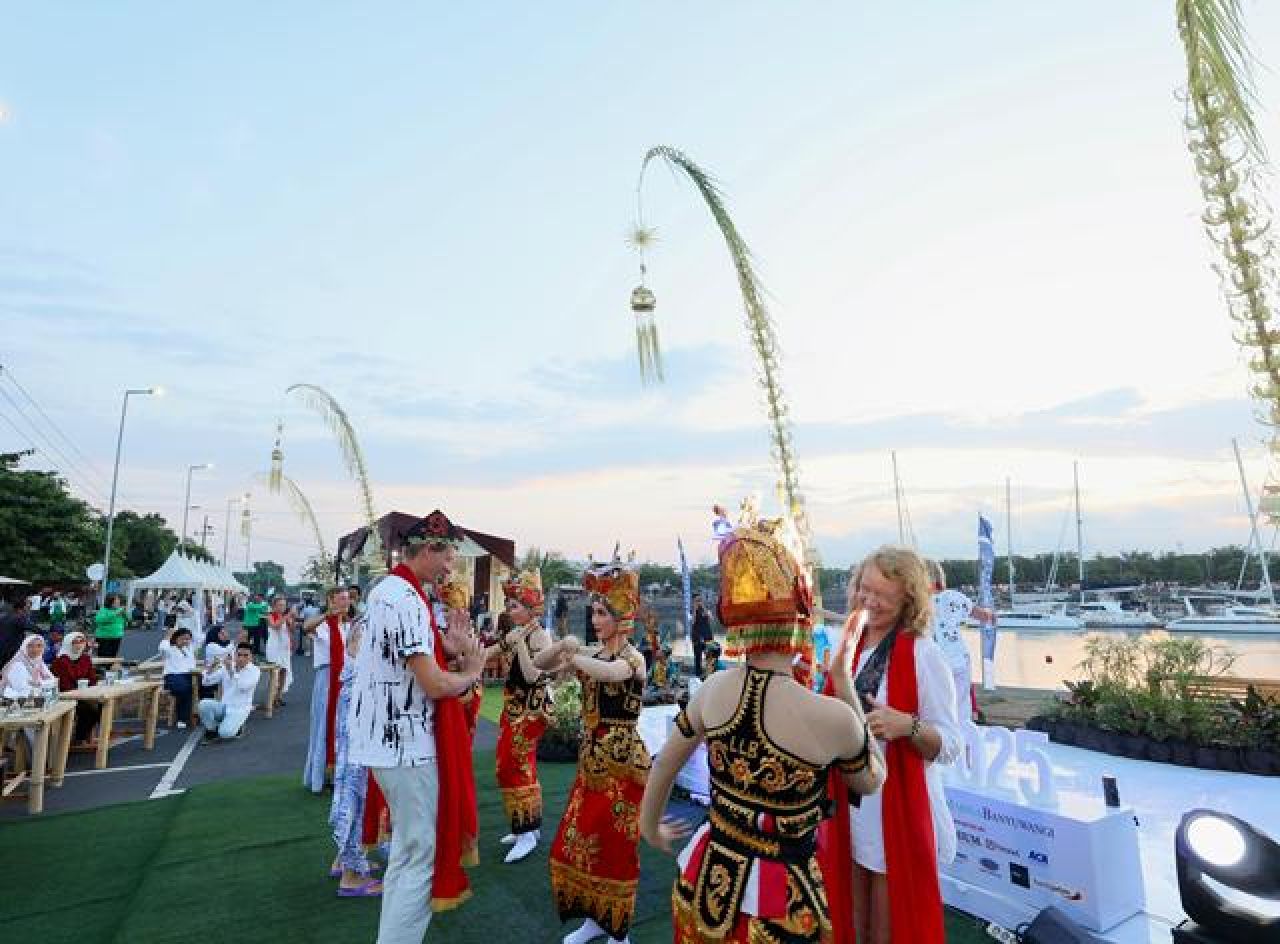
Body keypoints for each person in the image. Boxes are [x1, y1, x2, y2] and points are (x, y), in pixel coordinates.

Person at [639, 510, 885, 944]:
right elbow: (870, 781)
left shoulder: (712, 690)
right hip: (778, 903)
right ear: (800, 619)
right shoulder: (833, 718)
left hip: (705, 880)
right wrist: (843, 683)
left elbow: (663, 766)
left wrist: (650, 826)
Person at [346, 511, 485, 943]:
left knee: (408, 854)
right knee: (420, 856)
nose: (451, 567)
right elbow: (433, 682)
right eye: (448, 557)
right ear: (428, 549)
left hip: (388, 743)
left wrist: (454, 652)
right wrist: (473, 670)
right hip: (405, 745)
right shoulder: (405, 599)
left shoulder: (389, 591)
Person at [824, 546, 962, 944]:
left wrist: (908, 726)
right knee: (852, 924)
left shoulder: (924, 654)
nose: (869, 602)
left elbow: (951, 745)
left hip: (895, 813)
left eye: (883, 595)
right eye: (864, 590)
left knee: (889, 931)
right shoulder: (848, 646)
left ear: (908, 599)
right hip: (850, 806)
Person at [537, 554, 650, 944]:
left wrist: (576, 656)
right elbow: (539, 665)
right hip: (592, 761)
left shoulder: (633, 659)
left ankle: (618, 930)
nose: (595, 620)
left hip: (622, 764)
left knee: (616, 845)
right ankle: (593, 919)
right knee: (581, 839)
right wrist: (562, 648)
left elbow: (611, 673)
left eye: (602, 613)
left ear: (621, 618)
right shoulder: (592, 653)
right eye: (595, 612)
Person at [484, 569, 553, 864]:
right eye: (509, 605)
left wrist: (521, 643)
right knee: (508, 765)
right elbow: (489, 652)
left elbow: (533, 674)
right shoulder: (515, 634)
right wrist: (463, 657)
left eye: (514, 606)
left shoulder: (540, 636)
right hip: (512, 709)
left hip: (532, 711)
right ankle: (525, 825)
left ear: (529, 608)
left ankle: (526, 831)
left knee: (516, 766)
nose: (509, 610)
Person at [926, 558, 994, 724]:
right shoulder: (954, 597)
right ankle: (964, 735)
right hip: (959, 657)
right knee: (962, 704)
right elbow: (983, 616)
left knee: (938, 705)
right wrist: (991, 616)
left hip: (934, 660)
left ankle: (942, 737)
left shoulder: (917, 603)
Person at [302, 586, 351, 793]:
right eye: (341, 598)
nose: (346, 602)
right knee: (324, 725)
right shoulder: (324, 625)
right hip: (328, 677)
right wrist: (327, 614)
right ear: (331, 600)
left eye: (347, 599)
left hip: (345, 679)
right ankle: (320, 776)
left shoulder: (348, 627)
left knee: (342, 728)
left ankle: (337, 775)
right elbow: (306, 627)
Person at [198, 641, 260, 740]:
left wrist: (231, 671)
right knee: (203, 704)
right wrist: (210, 668)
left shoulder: (255, 671)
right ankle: (212, 729)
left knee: (225, 734)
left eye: (245, 655)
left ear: (251, 657)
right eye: (239, 655)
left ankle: (237, 726)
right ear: (235, 654)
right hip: (224, 705)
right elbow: (206, 682)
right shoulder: (227, 667)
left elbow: (242, 687)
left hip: (240, 709)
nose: (241, 658)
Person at [50, 630, 101, 744]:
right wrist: (81, 691)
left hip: (84, 694)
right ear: (68, 643)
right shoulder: (61, 661)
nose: (78, 645)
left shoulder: (85, 659)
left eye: (81, 642)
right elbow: (63, 684)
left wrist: (88, 690)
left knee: (102, 705)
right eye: (75, 642)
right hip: (65, 696)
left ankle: (85, 735)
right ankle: (79, 738)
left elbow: (92, 678)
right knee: (89, 711)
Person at [156, 627, 197, 729]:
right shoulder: (170, 649)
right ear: (176, 638)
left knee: (204, 686)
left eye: (188, 639)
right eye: (183, 638)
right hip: (173, 676)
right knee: (184, 689)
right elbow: (162, 648)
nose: (185, 641)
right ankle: (182, 718)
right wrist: (168, 636)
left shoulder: (188, 649)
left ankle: (196, 714)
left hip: (188, 675)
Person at [264, 595, 294, 707]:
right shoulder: (270, 615)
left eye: (284, 605)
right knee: (275, 672)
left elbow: (291, 630)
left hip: (284, 647)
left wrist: (292, 622)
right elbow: (275, 626)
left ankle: (279, 697)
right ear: (274, 606)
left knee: (284, 671)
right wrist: (287, 617)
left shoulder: (286, 616)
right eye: (280, 605)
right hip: (274, 647)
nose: (282, 607)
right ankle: (271, 697)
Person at [0, 598, 36, 668]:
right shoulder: (19, 618)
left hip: (3, 650)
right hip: (12, 652)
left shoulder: (4, 617)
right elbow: (35, 629)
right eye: (27, 607)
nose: (29, 610)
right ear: (20, 609)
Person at [93, 594, 127, 660]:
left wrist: (125, 615)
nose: (118, 601)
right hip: (104, 637)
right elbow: (99, 620)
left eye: (118, 600)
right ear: (111, 601)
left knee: (112, 657)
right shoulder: (104, 610)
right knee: (103, 657)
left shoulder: (119, 610)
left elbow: (127, 621)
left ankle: (108, 669)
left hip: (116, 637)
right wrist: (115, 613)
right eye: (117, 600)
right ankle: (102, 669)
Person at [690, 594, 714, 677]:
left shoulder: (705, 609)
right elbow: (692, 622)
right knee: (698, 657)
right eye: (697, 600)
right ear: (693, 601)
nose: (699, 602)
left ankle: (710, 673)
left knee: (710, 655)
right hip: (697, 637)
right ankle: (698, 675)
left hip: (707, 635)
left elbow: (711, 618)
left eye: (700, 600)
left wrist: (703, 608)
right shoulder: (691, 611)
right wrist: (694, 609)